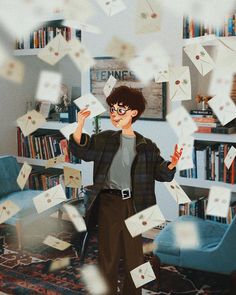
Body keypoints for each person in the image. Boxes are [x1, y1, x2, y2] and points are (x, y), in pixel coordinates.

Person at [69, 86, 182, 295]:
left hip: (136, 204)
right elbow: (82, 150)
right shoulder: (104, 139)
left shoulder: (147, 146)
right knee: (108, 256)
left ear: (134, 113)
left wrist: (172, 164)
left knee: (135, 257)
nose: (114, 115)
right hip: (109, 204)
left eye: (120, 110)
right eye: (112, 109)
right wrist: (80, 125)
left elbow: (161, 173)